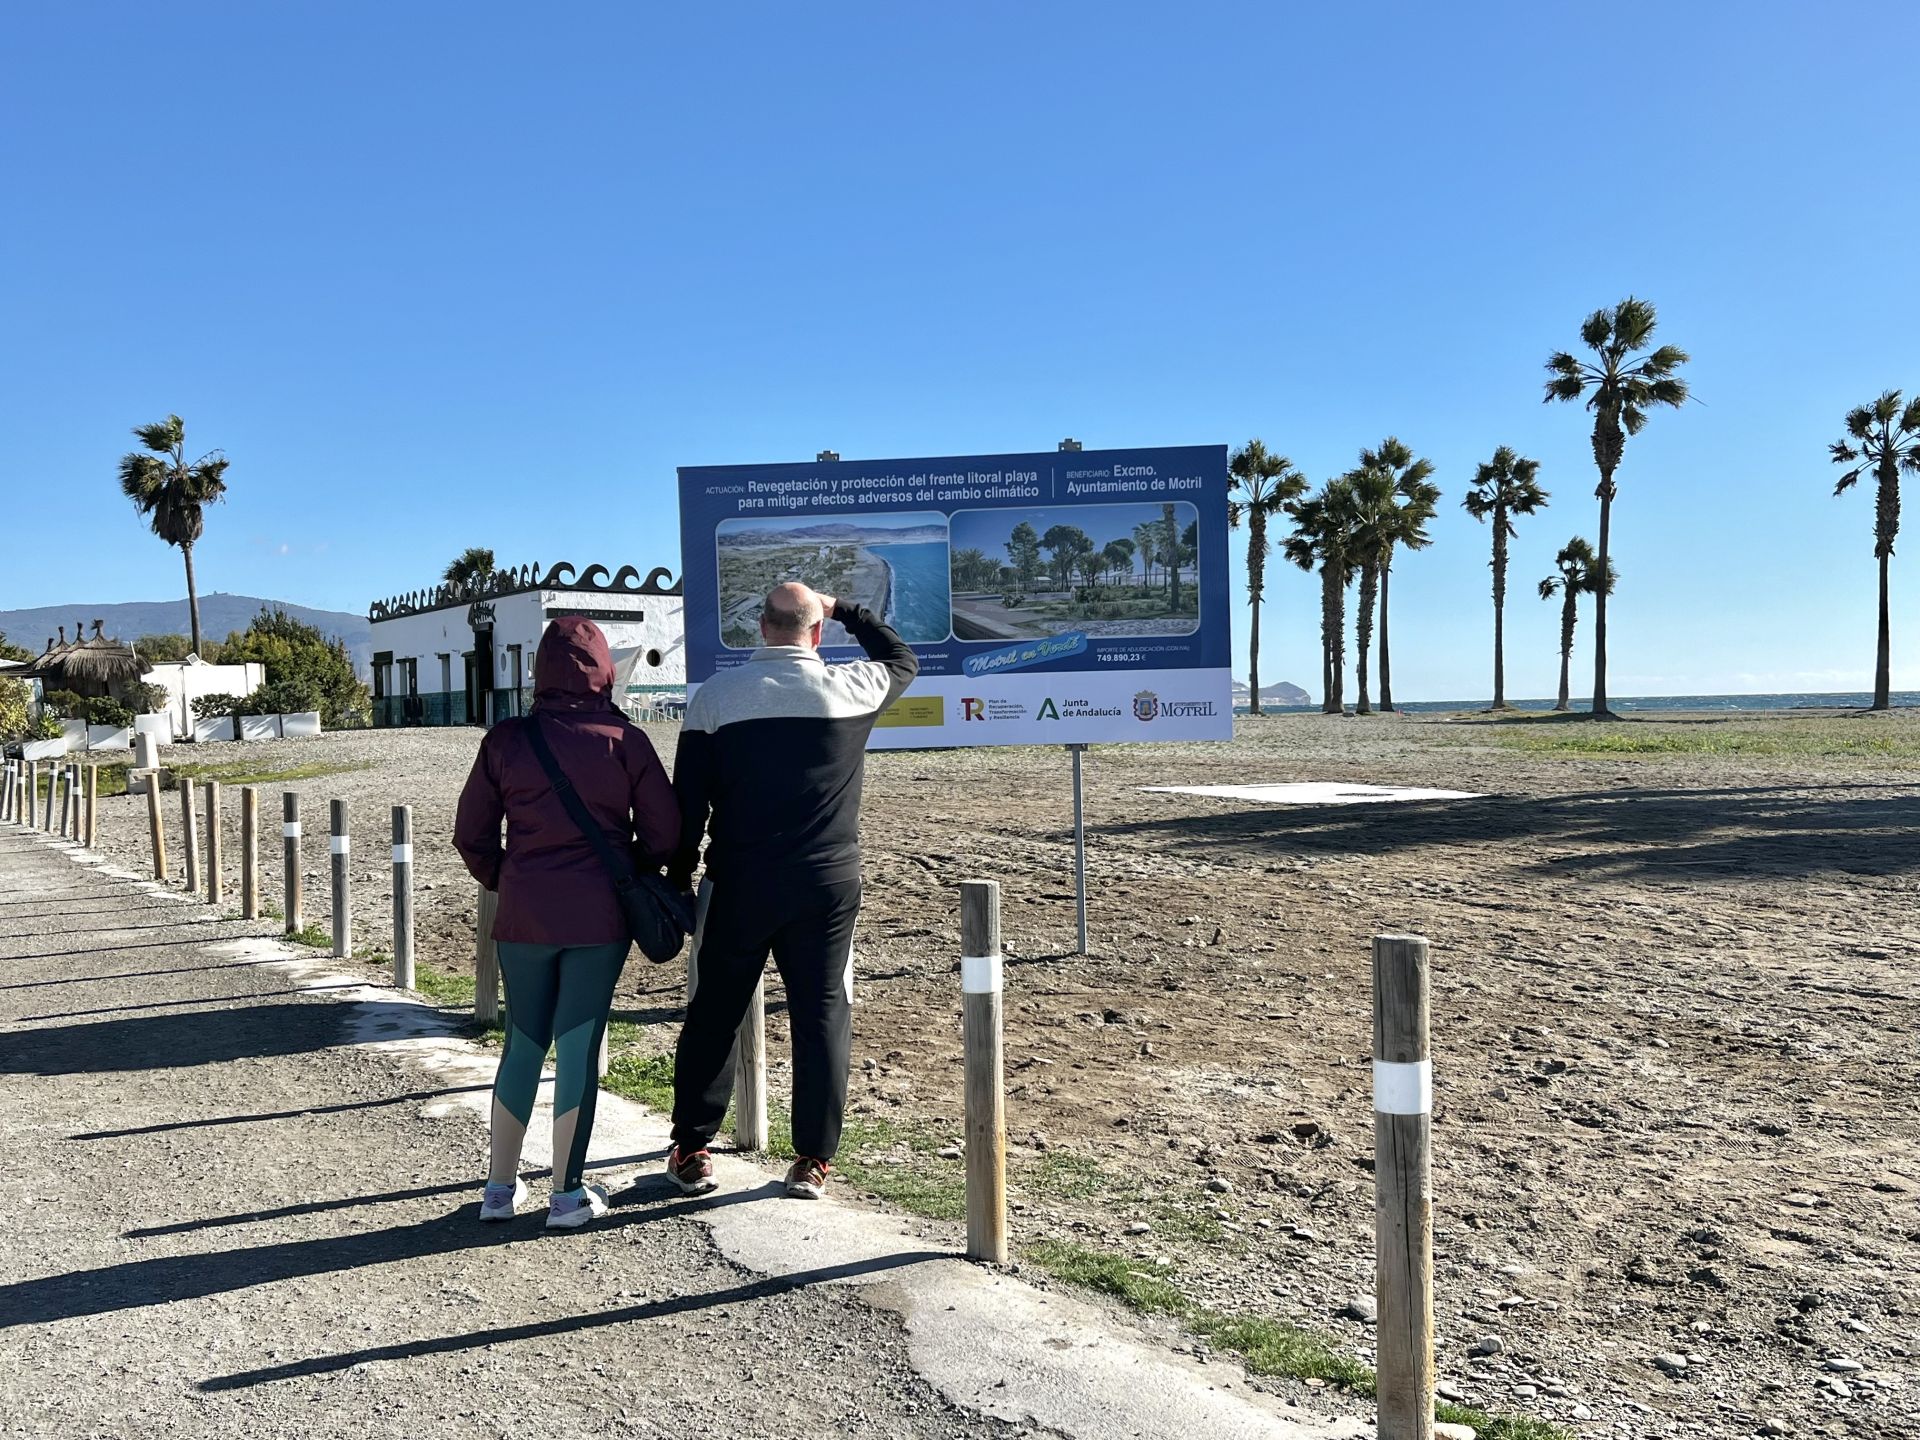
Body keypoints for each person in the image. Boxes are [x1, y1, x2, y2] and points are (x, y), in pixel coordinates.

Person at [665, 582, 918, 1198]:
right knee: (822, 1012)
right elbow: (902, 659)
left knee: (715, 1014)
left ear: (761, 628)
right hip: (827, 883)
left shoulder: (716, 697)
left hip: (738, 882)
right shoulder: (849, 689)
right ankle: (813, 1159)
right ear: (817, 633)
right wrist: (848, 608)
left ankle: (694, 1148)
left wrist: (678, 876)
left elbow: (687, 802)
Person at [454, 616, 678, 1229]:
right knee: (578, 1047)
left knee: (522, 1042)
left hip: (524, 913)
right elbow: (665, 832)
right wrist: (628, 864)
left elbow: (470, 834)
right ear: (605, 669)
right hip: (597, 916)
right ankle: (567, 1195)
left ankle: (498, 1190)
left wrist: (508, 875)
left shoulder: (505, 740)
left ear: (539, 672)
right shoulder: (624, 739)